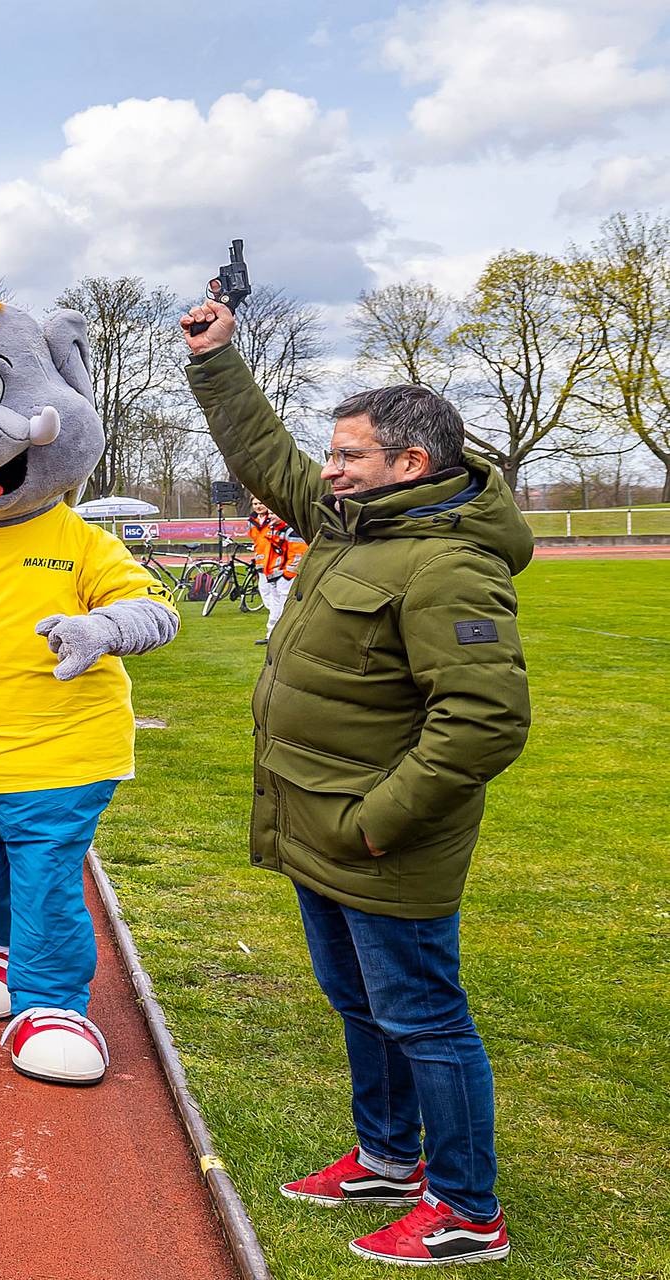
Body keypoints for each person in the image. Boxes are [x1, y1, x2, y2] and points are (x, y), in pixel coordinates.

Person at [186, 297, 530, 1267]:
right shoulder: (356, 521)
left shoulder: (449, 564)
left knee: (424, 1015)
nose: (326, 468)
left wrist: (377, 821)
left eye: (346, 454)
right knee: (360, 1001)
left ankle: (466, 1207)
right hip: (319, 827)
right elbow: (269, 459)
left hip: (377, 840)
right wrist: (217, 362)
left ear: (409, 463)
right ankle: (387, 1154)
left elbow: (486, 718)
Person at [247, 496, 305, 642]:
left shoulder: (291, 531)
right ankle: (271, 636)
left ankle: (285, 636)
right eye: (270, 514)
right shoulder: (272, 529)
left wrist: (287, 574)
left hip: (283, 576)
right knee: (274, 608)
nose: (271, 516)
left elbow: (297, 554)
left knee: (284, 606)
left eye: (274, 514)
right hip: (272, 573)